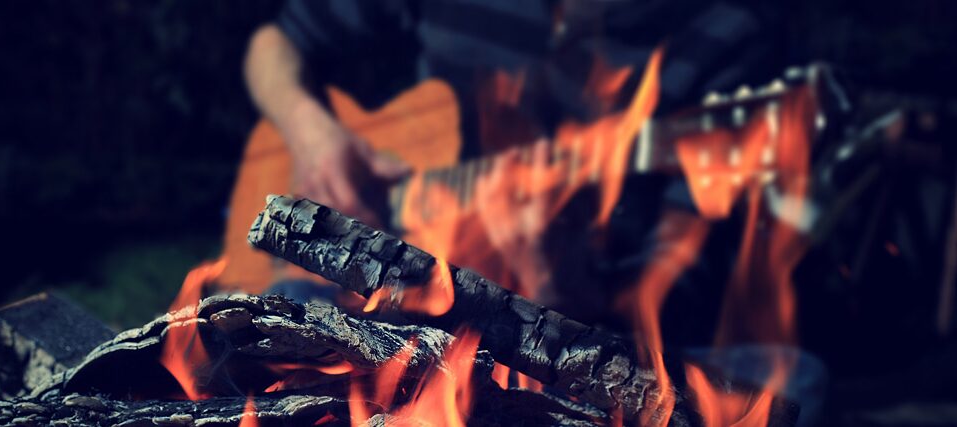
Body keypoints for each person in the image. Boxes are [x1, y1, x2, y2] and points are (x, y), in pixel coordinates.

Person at [223, 0, 788, 321]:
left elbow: (687, 292)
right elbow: (273, 44)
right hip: (363, 287)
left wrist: (564, 294)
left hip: (562, 324)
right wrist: (312, 136)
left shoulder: (727, 32)